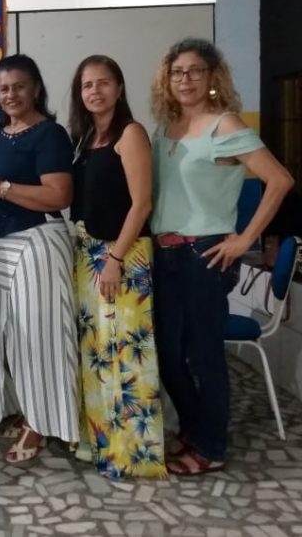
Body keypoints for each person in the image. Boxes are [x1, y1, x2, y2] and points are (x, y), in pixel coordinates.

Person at [151, 38, 294, 475]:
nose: (186, 80)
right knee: (168, 355)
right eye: (177, 72)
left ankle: (210, 448)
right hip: (164, 256)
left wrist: (244, 239)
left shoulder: (225, 125)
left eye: (195, 71)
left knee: (204, 356)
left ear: (212, 77)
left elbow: (280, 180)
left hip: (204, 255)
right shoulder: (166, 128)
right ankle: (194, 428)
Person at [0, 54, 78, 464]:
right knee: (11, 340)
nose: (11, 95)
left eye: (18, 87)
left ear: (35, 89)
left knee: (40, 340)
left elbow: (58, 196)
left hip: (35, 244)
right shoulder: (0, 134)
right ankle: (30, 407)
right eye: (3, 89)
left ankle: (43, 421)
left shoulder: (50, 134)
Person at [68, 55, 167, 478]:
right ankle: (100, 444)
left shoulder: (131, 134)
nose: (95, 91)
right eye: (87, 85)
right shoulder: (85, 138)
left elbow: (142, 204)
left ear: (120, 88)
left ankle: (133, 454)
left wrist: (115, 259)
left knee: (126, 357)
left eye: (103, 82)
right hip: (89, 256)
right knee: (97, 355)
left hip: (121, 257)